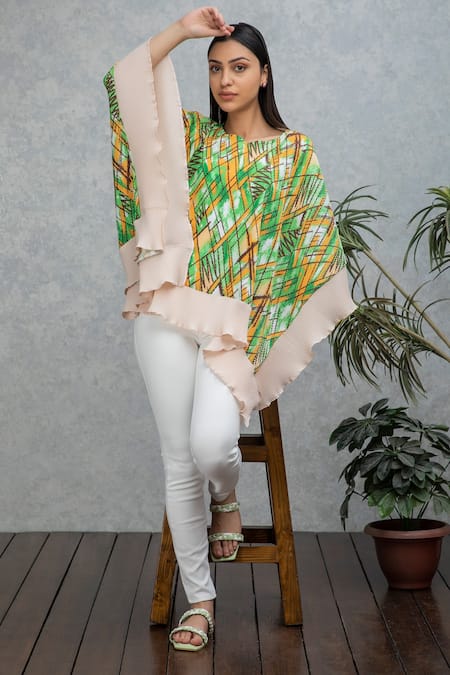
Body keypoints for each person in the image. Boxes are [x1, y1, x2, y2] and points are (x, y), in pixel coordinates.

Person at [103, 6, 357, 652]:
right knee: (176, 455)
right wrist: (182, 31)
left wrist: (264, 324)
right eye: (215, 68)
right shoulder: (195, 139)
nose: (225, 80)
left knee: (213, 445)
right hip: (169, 306)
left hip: (237, 328)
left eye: (239, 67)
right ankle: (201, 600)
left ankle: (226, 494)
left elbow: (309, 249)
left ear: (264, 74)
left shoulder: (295, 153)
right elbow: (124, 89)